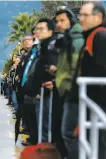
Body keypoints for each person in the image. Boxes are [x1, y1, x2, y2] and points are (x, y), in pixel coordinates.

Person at [43, 7, 84, 159]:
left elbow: (76, 67)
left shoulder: (76, 39)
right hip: (65, 90)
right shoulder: (68, 38)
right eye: (57, 21)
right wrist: (56, 74)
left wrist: (58, 80)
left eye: (62, 20)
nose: (59, 24)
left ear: (72, 20)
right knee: (64, 132)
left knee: (69, 133)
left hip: (71, 92)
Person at [74, 2, 106, 158]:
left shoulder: (100, 36)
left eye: (85, 15)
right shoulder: (91, 36)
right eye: (80, 15)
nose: (81, 19)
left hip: (97, 102)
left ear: (98, 16)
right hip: (91, 101)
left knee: (97, 145)